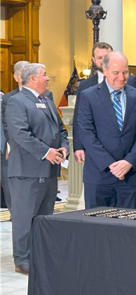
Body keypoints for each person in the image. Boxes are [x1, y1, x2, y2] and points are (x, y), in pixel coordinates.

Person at [6, 63, 69, 275]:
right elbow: (20, 133)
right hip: (26, 172)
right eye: (44, 75)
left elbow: (60, 129)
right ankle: (22, 259)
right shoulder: (17, 101)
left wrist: (64, 147)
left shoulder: (47, 100)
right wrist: (46, 152)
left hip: (48, 172)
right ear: (32, 78)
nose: (48, 78)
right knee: (25, 218)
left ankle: (40, 255)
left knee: (44, 218)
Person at [77, 52, 136, 209]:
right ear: (104, 70)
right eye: (116, 73)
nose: (122, 77)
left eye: (125, 72)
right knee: (98, 228)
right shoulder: (88, 96)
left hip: (131, 176)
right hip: (99, 175)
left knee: (130, 228)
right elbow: (86, 133)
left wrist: (128, 162)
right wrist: (111, 164)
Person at [73, 42, 136, 164]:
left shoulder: (130, 81)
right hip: (98, 156)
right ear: (94, 60)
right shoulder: (85, 86)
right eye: (100, 58)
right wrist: (78, 146)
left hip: (128, 155)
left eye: (106, 56)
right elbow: (79, 119)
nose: (103, 60)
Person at [1, 60, 29, 210]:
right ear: (16, 77)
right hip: (14, 146)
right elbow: (7, 125)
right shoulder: (8, 98)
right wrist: (11, 144)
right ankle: (15, 212)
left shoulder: (45, 95)